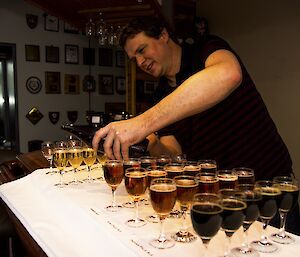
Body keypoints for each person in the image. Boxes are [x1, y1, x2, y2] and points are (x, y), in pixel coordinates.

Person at [92, 16, 300, 235]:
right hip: (218, 199)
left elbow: (229, 74)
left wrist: (142, 123)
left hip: (267, 189)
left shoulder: (206, 49)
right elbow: (173, 152)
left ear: (163, 35)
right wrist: (150, 142)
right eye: (135, 59)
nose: (141, 61)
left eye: (142, 50)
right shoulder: (161, 93)